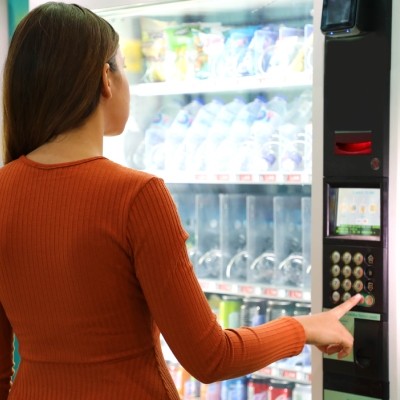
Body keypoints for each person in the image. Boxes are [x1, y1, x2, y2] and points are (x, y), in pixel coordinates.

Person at [0, 2, 362, 399]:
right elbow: (210, 356)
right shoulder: (137, 196)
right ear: (105, 78)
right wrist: (306, 327)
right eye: (121, 66)